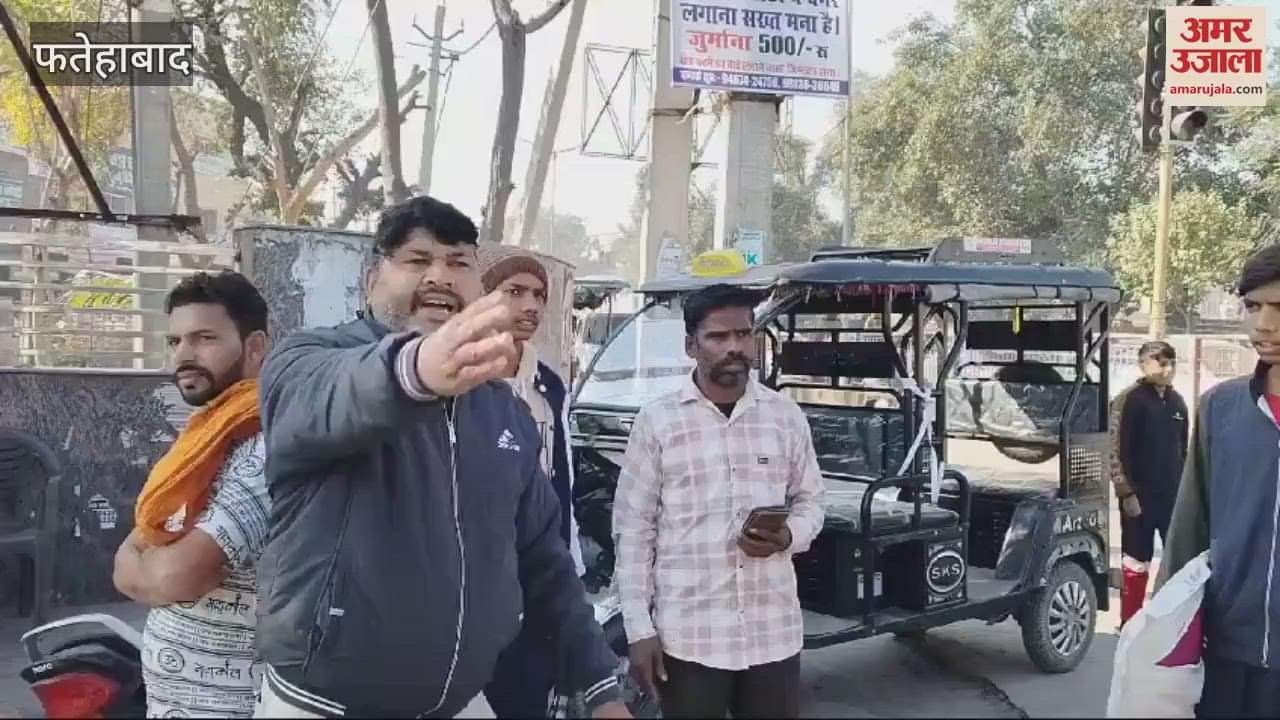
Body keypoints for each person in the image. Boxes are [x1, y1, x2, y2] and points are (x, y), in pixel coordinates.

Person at [253, 195, 628, 719]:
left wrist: (599, 686)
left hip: (459, 703)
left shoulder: (503, 411)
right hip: (325, 704)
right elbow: (333, 395)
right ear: (371, 279)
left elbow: (545, 563)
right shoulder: (309, 360)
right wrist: (415, 370)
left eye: (458, 263)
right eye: (416, 260)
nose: (440, 277)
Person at [612, 283, 825, 719]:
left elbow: (811, 503)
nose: (735, 347)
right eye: (718, 337)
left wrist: (787, 536)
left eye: (744, 334)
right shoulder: (658, 422)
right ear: (692, 345)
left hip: (773, 635)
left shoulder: (785, 417)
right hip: (689, 638)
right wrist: (638, 629)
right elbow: (633, 531)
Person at [113, 271, 272, 718]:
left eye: (204, 338)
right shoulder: (208, 438)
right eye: (175, 341)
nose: (184, 354)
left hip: (233, 703)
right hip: (174, 698)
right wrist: (141, 563)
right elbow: (135, 555)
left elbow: (173, 577)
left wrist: (142, 566)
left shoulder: (268, 444)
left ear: (255, 347)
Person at [1158, 244, 1280, 718]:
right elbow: (1189, 528)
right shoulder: (1220, 409)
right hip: (1227, 656)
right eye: (1253, 307)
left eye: (1279, 309)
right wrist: (1161, 626)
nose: (1263, 325)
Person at [476, 247, 584, 718]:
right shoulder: (461, 379)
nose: (530, 306)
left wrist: (571, 565)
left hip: (536, 571)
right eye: (514, 292)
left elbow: (564, 480)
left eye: (538, 294)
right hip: (475, 578)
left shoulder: (549, 385)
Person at [1111, 340, 1188, 626]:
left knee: (1176, 561)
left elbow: (1184, 451)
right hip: (1138, 499)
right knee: (1136, 560)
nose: (1168, 370)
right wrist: (1126, 493)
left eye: (1172, 363)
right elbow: (1114, 450)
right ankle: (1130, 622)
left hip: (1172, 498)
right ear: (1142, 365)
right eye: (1161, 363)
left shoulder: (1178, 402)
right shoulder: (1128, 400)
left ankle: (1169, 623)